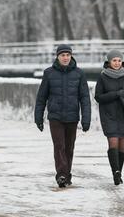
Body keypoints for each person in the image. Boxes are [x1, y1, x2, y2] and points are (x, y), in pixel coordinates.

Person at [35, 43, 91, 188]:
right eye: (62, 55)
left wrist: (86, 119)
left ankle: (67, 174)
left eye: (68, 55)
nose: (65, 58)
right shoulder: (49, 73)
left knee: (69, 148)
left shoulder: (79, 73)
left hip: (72, 117)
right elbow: (41, 97)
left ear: (71, 56)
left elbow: (85, 98)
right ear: (57, 57)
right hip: (55, 116)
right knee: (59, 146)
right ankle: (61, 175)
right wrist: (38, 117)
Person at [94, 49, 124, 185]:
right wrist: (115, 94)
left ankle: (119, 171)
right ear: (109, 61)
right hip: (109, 115)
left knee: (122, 146)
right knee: (113, 142)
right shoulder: (102, 77)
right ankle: (115, 172)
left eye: (119, 60)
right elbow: (98, 97)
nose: (117, 63)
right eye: (114, 60)